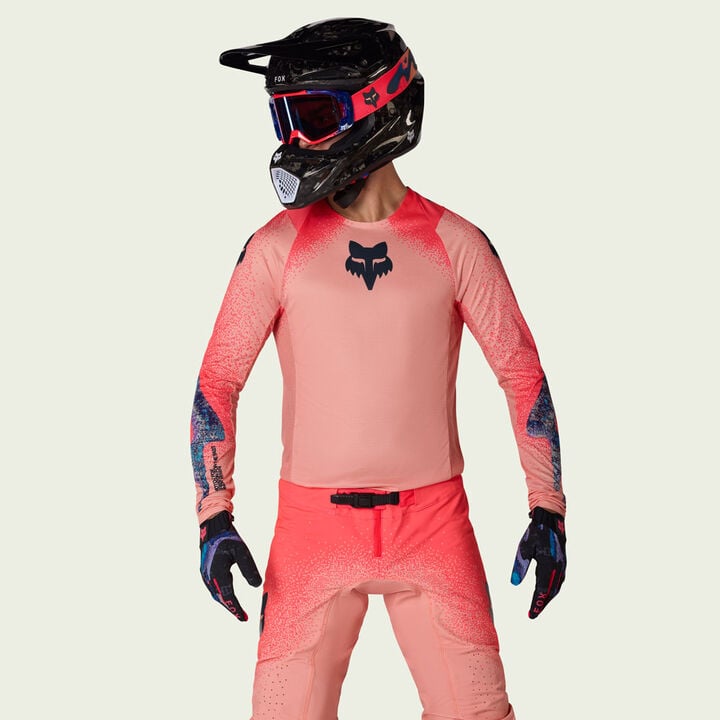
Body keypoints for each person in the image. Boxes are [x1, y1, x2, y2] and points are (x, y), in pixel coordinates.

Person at [192, 17, 567, 720]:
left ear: (378, 107)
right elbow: (219, 381)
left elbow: (521, 375)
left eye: (311, 116)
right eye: (283, 118)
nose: (294, 141)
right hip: (312, 536)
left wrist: (548, 507)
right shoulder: (275, 249)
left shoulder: (456, 243)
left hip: (434, 528)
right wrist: (214, 517)